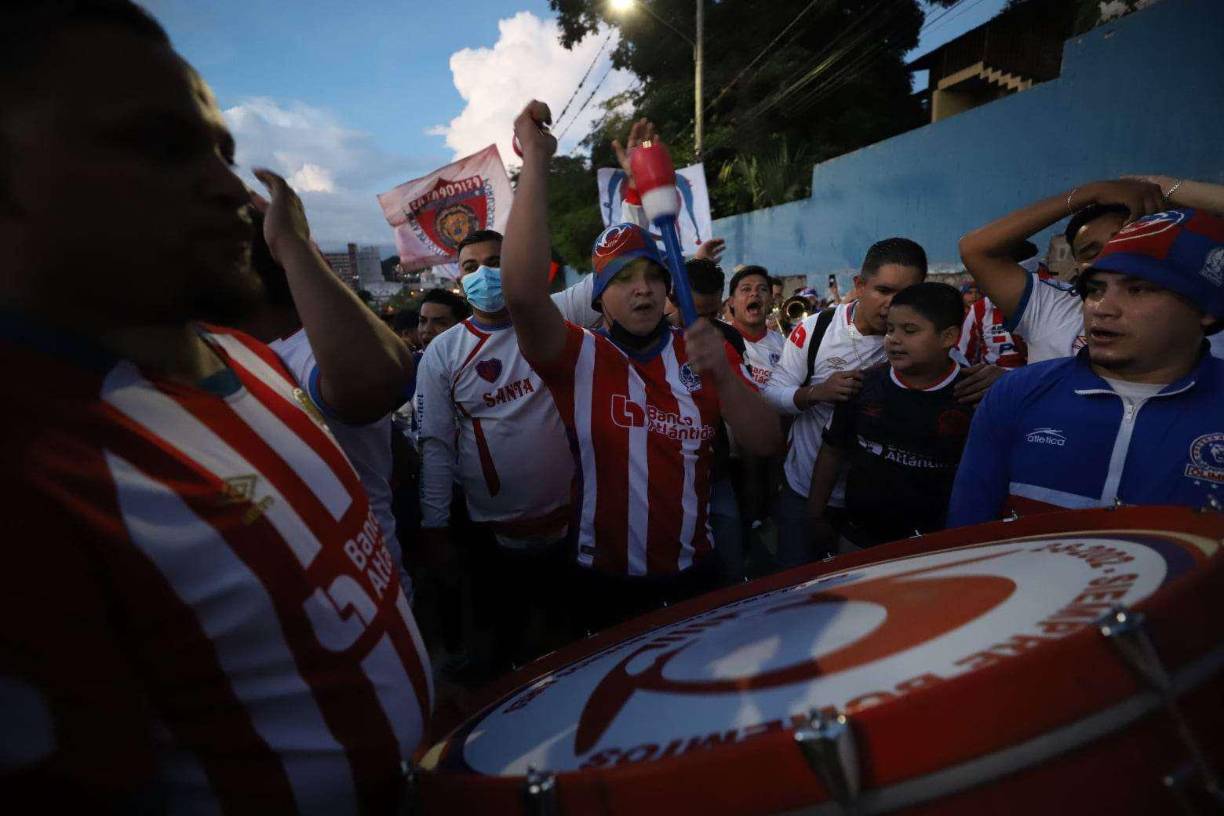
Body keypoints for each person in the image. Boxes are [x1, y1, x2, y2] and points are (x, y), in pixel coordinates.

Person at [0, 2, 430, 810]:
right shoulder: (33, 474)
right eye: (159, 145)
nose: (228, 189)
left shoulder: (247, 359)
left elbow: (381, 381)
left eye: (222, 151)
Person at [501, 100, 782, 632]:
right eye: (623, 280)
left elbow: (766, 443)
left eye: (652, 276)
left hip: (693, 573)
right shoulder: (577, 355)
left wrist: (722, 374)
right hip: (599, 581)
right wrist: (536, 160)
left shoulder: (702, 350)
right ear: (598, 299)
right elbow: (520, 292)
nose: (642, 289)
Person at [948, 209, 1224, 527]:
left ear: (1206, 308)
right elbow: (965, 537)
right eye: (1095, 290)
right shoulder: (1016, 395)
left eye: (1138, 289)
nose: (1102, 309)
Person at [415, 229, 600, 675]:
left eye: (497, 261)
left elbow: (614, 265)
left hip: (576, 523)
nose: (485, 274)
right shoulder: (442, 352)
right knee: (510, 653)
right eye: (471, 267)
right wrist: (435, 527)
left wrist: (638, 191)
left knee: (577, 644)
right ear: (459, 280)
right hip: (495, 541)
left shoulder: (556, 314)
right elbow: (436, 447)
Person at [762, 238, 928, 568]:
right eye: (883, 290)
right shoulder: (817, 329)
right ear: (860, 285)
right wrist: (816, 393)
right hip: (804, 491)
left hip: (875, 506)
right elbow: (771, 395)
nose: (893, 305)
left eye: (907, 294)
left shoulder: (925, 339)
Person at [960, 177, 1224, 363]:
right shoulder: (1051, 305)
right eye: (1091, 251)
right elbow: (977, 249)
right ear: (1076, 265)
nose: (1111, 257)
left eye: (1122, 241)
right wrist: (1090, 192)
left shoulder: (1194, 310)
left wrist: (1163, 186)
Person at [808, 283, 975, 552]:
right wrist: (815, 515)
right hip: (860, 538)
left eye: (909, 331)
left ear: (949, 337)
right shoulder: (863, 386)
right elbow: (832, 450)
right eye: (889, 329)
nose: (893, 339)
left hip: (939, 546)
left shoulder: (972, 396)